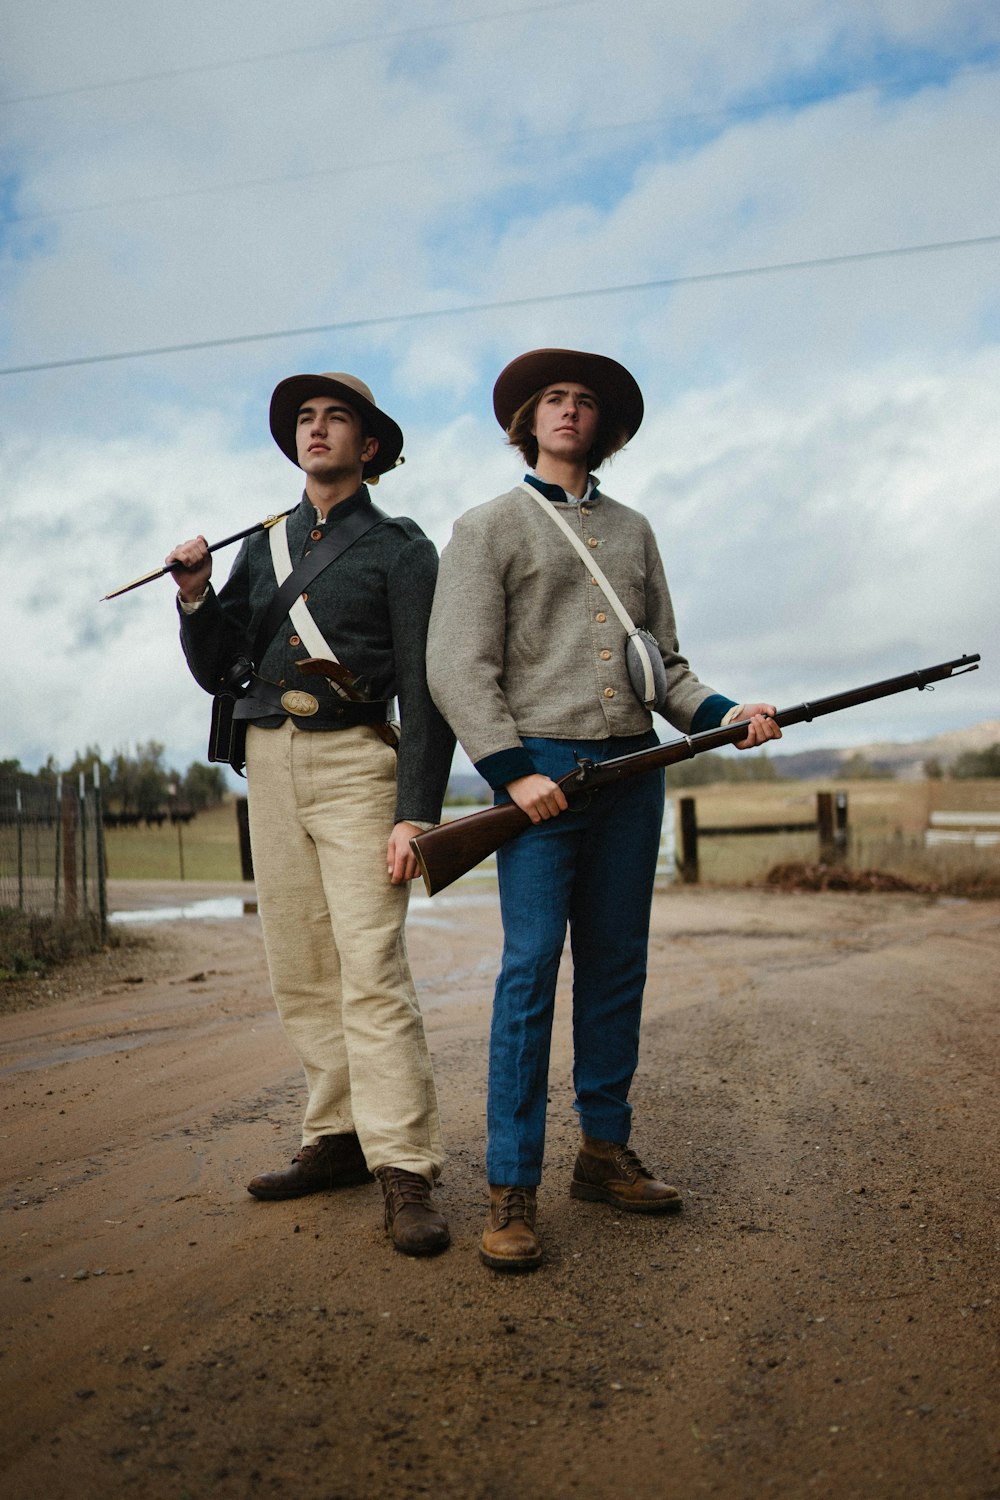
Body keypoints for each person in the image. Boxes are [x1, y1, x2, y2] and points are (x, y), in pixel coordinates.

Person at [426, 347, 781, 1272]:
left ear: (604, 426)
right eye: (554, 399)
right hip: (537, 777)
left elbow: (661, 667)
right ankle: (511, 1187)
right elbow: (458, 666)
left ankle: (603, 1152)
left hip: (634, 770)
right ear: (527, 420)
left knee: (618, 967)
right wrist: (509, 771)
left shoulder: (635, 531)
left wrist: (727, 715)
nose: (570, 411)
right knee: (532, 973)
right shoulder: (485, 527)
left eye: (584, 401)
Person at [165, 370, 454, 1257]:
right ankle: (336, 1137)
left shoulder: (403, 549)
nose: (317, 430)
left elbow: (426, 691)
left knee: (370, 966)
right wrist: (196, 596)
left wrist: (416, 813)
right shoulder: (265, 545)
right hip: (268, 761)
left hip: (360, 764)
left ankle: (404, 1166)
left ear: (370, 446)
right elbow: (224, 669)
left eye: (336, 420)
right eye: (305, 420)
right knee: (298, 962)